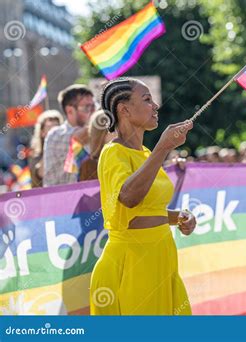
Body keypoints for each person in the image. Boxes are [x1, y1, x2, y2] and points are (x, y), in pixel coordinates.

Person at [90, 77, 196, 315]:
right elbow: (128, 197)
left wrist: (178, 217)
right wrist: (162, 148)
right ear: (124, 109)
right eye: (147, 100)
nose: (155, 106)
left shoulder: (146, 153)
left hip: (161, 260)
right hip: (132, 264)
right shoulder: (113, 152)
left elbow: (146, 210)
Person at [43, 84, 95, 186]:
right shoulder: (55, 134)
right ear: (70, 110)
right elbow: (78, 136)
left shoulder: (94, 132)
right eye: (87, 107)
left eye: (93, 106)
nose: (93, 111)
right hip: (61, 200)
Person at [29, 110, 63, 187]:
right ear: (42, 132)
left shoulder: (66, 152)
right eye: (50, 128)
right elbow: (41, 173)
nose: (55, 132)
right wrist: (50, 143)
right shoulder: (35, 156)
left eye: (57, 128)